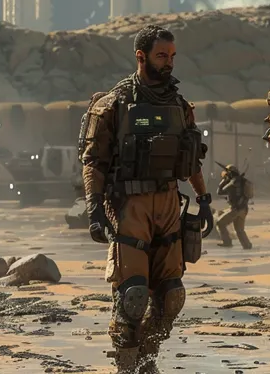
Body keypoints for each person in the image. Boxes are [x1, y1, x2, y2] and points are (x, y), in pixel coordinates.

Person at [79, 24, 212, 374]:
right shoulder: (113, 105)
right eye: (161, 56)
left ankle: (146, 359)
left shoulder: (180, 106)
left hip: (169, 204)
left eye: (172, 56)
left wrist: (204, 198)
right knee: (132, 297)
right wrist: (94, 207)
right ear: (141, 57)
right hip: (130, 206)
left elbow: (191, 160)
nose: (168, 63)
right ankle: (126, 365)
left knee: (171, 298)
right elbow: (94, 161)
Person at [216, 163, 253, 249]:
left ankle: (227, 242)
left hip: (235, 209)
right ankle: (247, 245)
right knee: (239, 230)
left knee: (220, 223)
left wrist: (224, 180)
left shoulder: (233, 182)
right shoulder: (242, 181)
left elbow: (220, 191)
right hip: (243, 209)